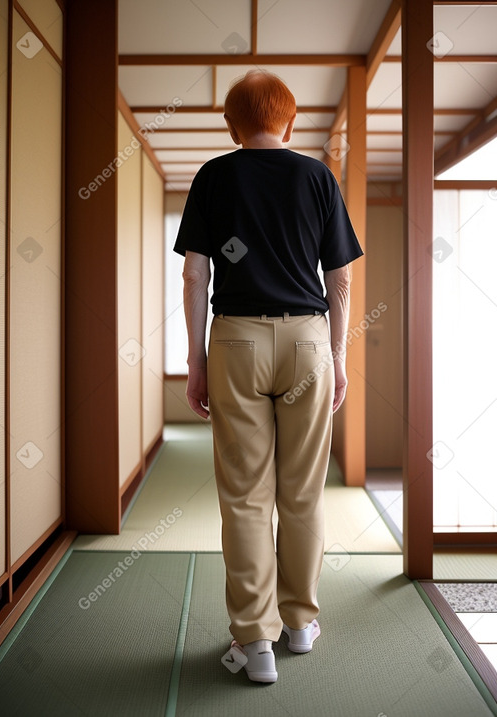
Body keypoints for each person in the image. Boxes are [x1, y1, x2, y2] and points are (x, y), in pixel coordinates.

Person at [174, 69, 363, 684]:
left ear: (232, 123)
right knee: (303, 492)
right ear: (290, 119)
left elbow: (195, 277)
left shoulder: (212, 175)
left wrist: (197, 360)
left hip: (235, 339)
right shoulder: (316, 177)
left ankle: (254, 643)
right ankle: (302, 623)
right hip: (307, 340)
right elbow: (339, 278)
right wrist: (337, 356)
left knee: (245, 498)